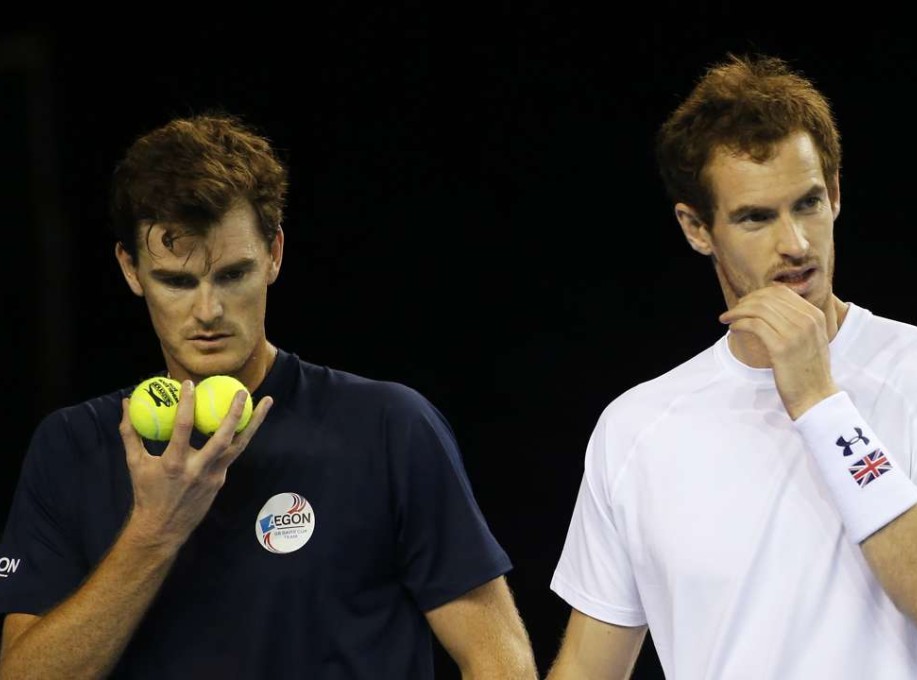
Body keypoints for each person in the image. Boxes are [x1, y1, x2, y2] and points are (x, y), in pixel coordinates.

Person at [0, 112, 538, 679]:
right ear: (130, 270)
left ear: (275, 254)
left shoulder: (389, 425)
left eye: (233, 275)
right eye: (177, 281)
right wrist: (154, 533)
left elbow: (499, 659)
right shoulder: (70, 446)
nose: (207, 310)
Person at [546, 53, 917, 679]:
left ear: (837, 194)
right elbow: (587, 668)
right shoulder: (635, 427)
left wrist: (820, 403)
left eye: (809, 203)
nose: (795, 243)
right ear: (696, 228)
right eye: (755, 217)